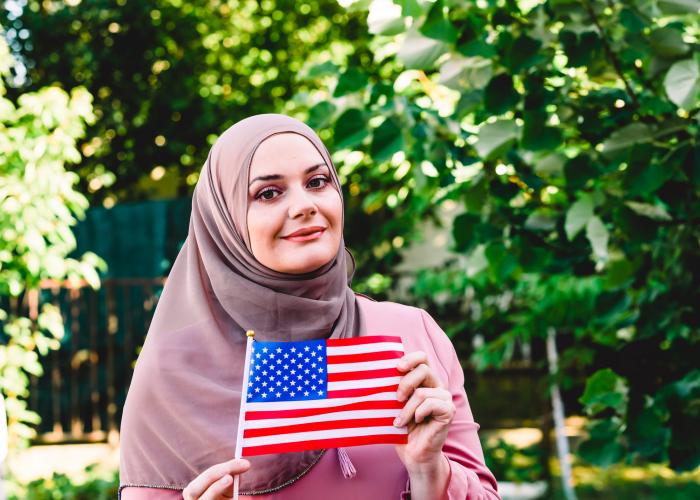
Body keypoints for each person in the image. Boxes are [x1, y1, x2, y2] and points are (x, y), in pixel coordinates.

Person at [119, 114, 499, 499]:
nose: (304, 206)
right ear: (225, 221)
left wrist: (432, 472)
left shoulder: (410, 335)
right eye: (268, 193)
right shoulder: (174, 372)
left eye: (317, 182)